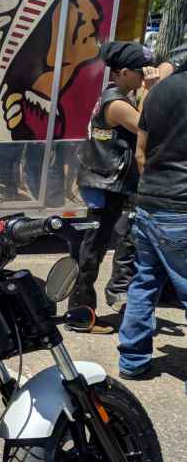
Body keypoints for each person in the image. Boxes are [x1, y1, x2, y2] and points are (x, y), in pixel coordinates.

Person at [68, 42, 158, 333]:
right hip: (103, 184)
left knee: (107, 245)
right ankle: (81, 316)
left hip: (107, 182)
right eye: (139, 72)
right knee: (91, 252)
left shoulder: (119, 96)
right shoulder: (117, 103)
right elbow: (149, 125)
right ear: (122, 73)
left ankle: (100, 302)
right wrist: (153, 89)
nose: (144, 75)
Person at [117, 56, 187, 379]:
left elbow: (141, 151)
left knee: (144, 282)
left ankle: (132, 360)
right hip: (180, 210)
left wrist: (151, 190)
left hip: (149, 204)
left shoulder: (156, 93)